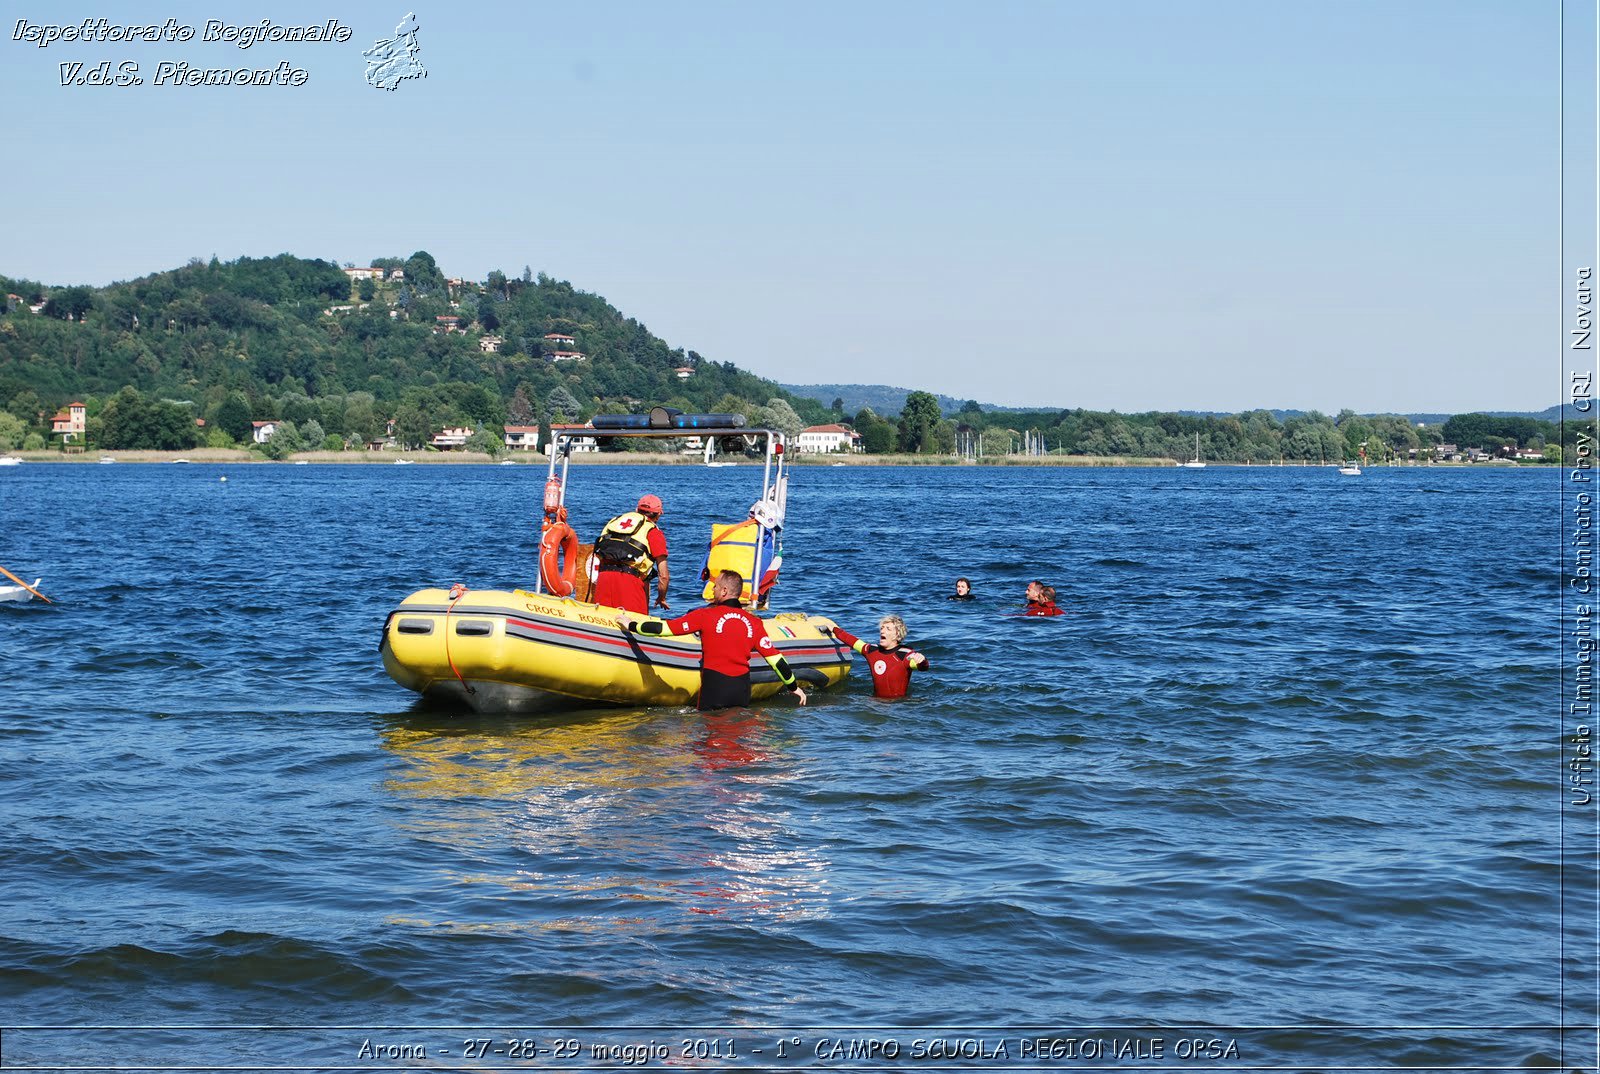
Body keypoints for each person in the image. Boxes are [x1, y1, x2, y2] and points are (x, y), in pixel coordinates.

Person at [616, 569, 808, 710]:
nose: (713, 590)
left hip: (715, 687)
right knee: (738, 741)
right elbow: (776, 660)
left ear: (724, 591)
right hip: (741, 690)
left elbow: (664, 629)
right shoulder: (754, 622)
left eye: (715, 587)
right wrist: (793, 688)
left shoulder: (705, 615)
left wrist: (630, 624)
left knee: (710, 750)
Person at [592, 493, 670, 614]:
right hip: (629, 584)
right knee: (633, 626)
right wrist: (661, 597)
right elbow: (663, 575)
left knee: (602, 622)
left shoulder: (614, 522)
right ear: (658, 514)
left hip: (603, 579)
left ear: (636, 510)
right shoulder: (653, 532)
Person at [823, 615, 929, 699]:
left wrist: (922, 661)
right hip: (876, 702)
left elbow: (923, 667)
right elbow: (852, 641)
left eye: (888, 629)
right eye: (882, 628)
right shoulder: (872, 651)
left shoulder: (905, 655)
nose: (882, 631)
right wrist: (834, 629)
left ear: (897, 635)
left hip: (899, 705)